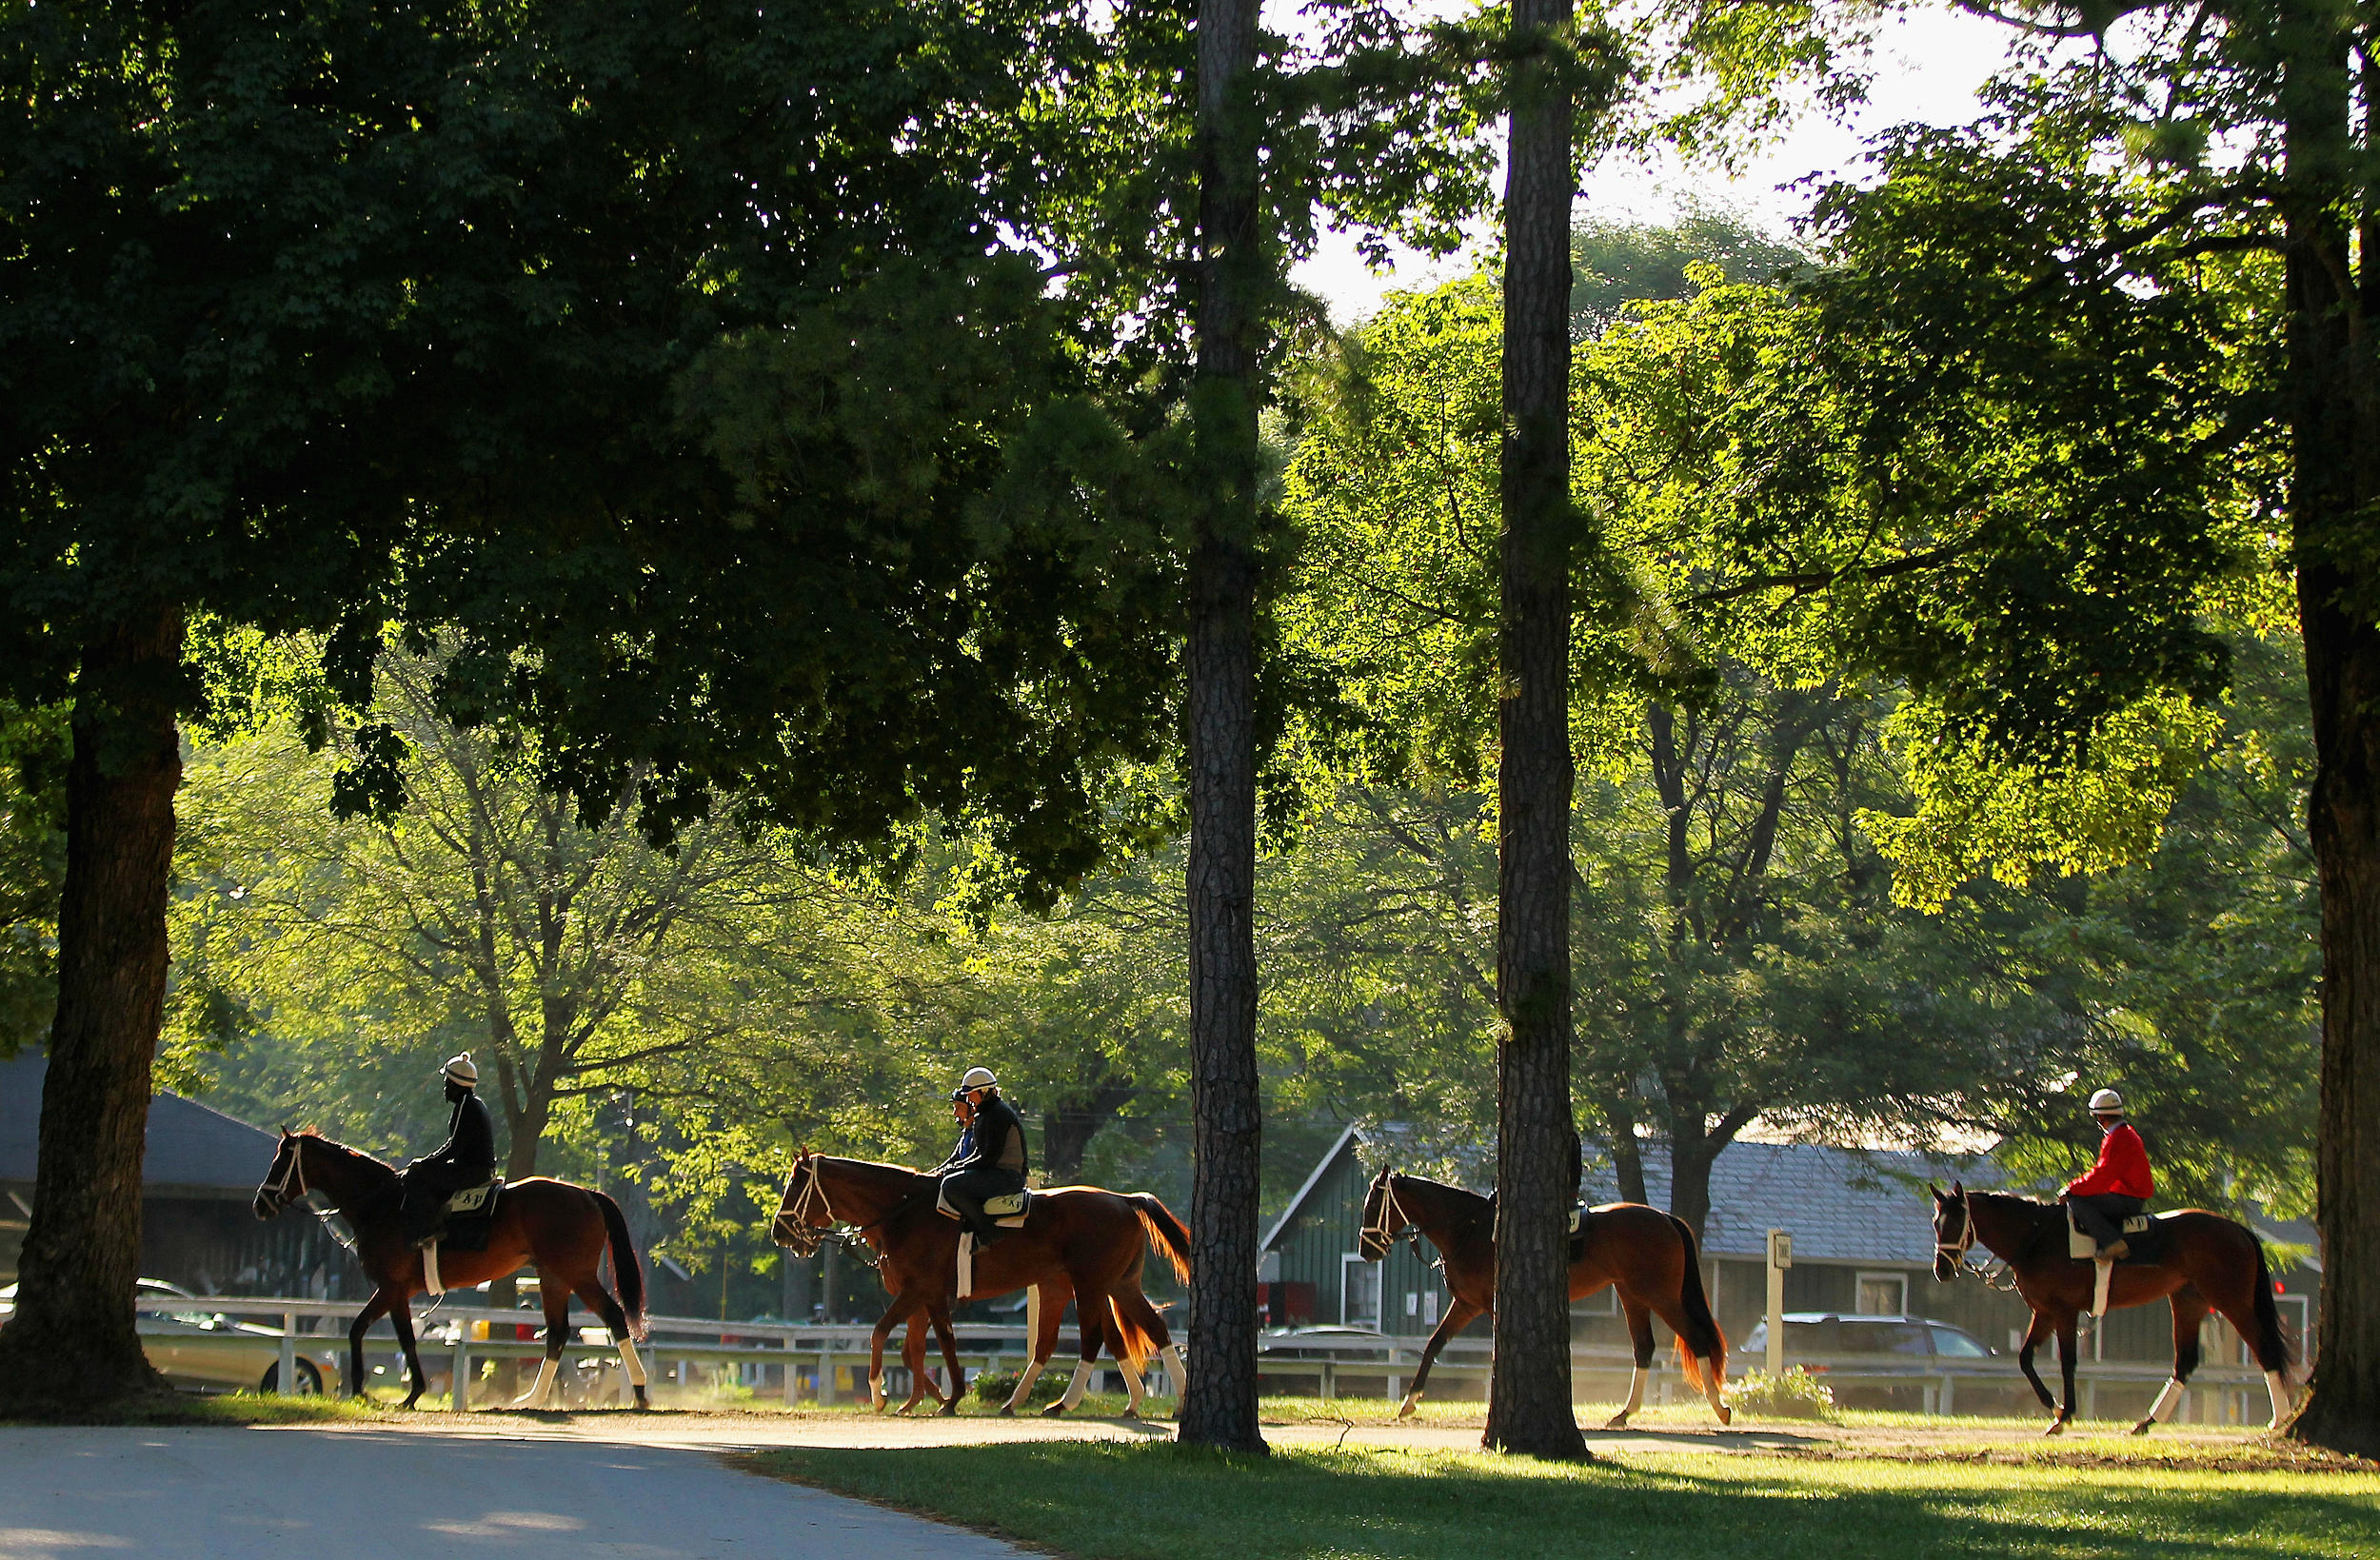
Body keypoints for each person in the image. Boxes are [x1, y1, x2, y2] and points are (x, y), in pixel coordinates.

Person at [401, 1054, 498, 1247]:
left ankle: (429, 1230)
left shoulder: (465, 1105)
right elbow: (455, 1144)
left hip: (472, 1172)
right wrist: (429, 1161)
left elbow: (454, 1148)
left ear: (456, 1084)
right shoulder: (475, 1104)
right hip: (478, 1169)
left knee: (414, 1177)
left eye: (447, 1083)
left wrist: (424, 1164)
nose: (445, 1088)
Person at [935, 1067, 1028, 1247]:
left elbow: (987, 1159)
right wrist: (955, 1168)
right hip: (997, 1173)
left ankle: (988, 1231)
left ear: (983, 1092)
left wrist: (956, 1169)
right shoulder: (986, 1114)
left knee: (951, 1185)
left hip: (1008, 1177)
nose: (968, 1099)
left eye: (970, 1094)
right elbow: (980, 1155)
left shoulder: (998, 1115)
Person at [2063, 1087, 2152, 1261]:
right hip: (2129, 1195)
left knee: (2077, 1202)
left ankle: (2113, 1242)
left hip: (2128, 1199)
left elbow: (2103, 1176)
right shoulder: (2124, 1134)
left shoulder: (2118, 1138)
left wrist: (2071, 1190)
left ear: (2101, 1117)